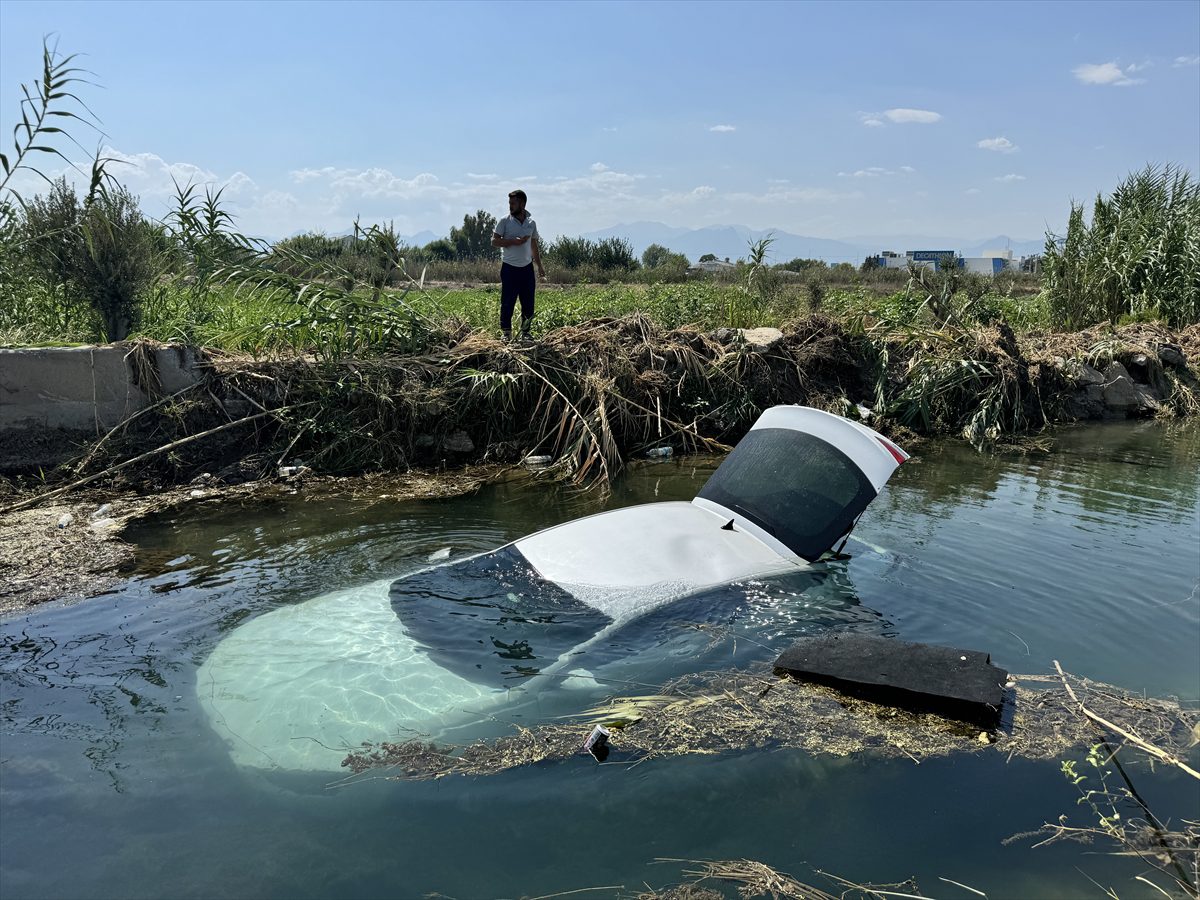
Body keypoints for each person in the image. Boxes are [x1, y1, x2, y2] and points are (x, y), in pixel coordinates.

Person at [491, 190, 545, 340]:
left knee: (528, 303)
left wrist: (539, 266)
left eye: (513, 203)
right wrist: (512, 241)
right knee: (507, 301)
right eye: (509, 203)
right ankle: (506, 333)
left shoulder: (531, 223)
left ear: (522, 204)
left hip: (527, 269)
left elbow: (534, 245)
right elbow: (494, 241)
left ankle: (526, 333)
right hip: (509, 268)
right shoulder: (504, 221)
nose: (510, 206)